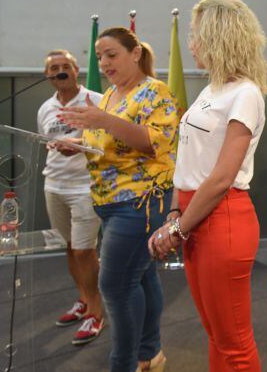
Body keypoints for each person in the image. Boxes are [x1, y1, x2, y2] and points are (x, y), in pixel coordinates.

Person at [148, 0, 267, 372]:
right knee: (216, 334)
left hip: (222, 219)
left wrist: (178, 229)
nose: (190, 44)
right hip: (192, 216)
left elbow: (221, 178)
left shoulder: (246, 93)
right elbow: (188, 160)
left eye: (196, 33)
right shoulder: (210, 90)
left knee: (233, 342)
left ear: (220, 36)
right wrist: (174, 213)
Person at [57, 27, 178, 372]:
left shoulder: (155, 91)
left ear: (135, 53)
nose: (104, 63)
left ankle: (123, 364)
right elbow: (106, 144)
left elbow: (156, 142)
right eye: (99, 56)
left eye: (111, 55)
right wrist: (76, 144)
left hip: (140, 203)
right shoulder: (110, 95)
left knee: (115, 285)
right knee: (140, 278)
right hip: (109, 203)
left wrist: (102, 120)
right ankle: (149, 353)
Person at [37, 49, 103, 345]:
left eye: (66, 66)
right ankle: (83, 301)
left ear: (77, 70)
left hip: (85, 186)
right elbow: (46, 141)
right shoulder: (45, 108)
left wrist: (80, 144)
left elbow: (109, 141)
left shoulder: (95, 101)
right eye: (54, 68)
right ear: (47, 75)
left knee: (83, 251)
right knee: (68, 247)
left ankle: (96, 313)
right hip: (54, 185)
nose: (60, 71)